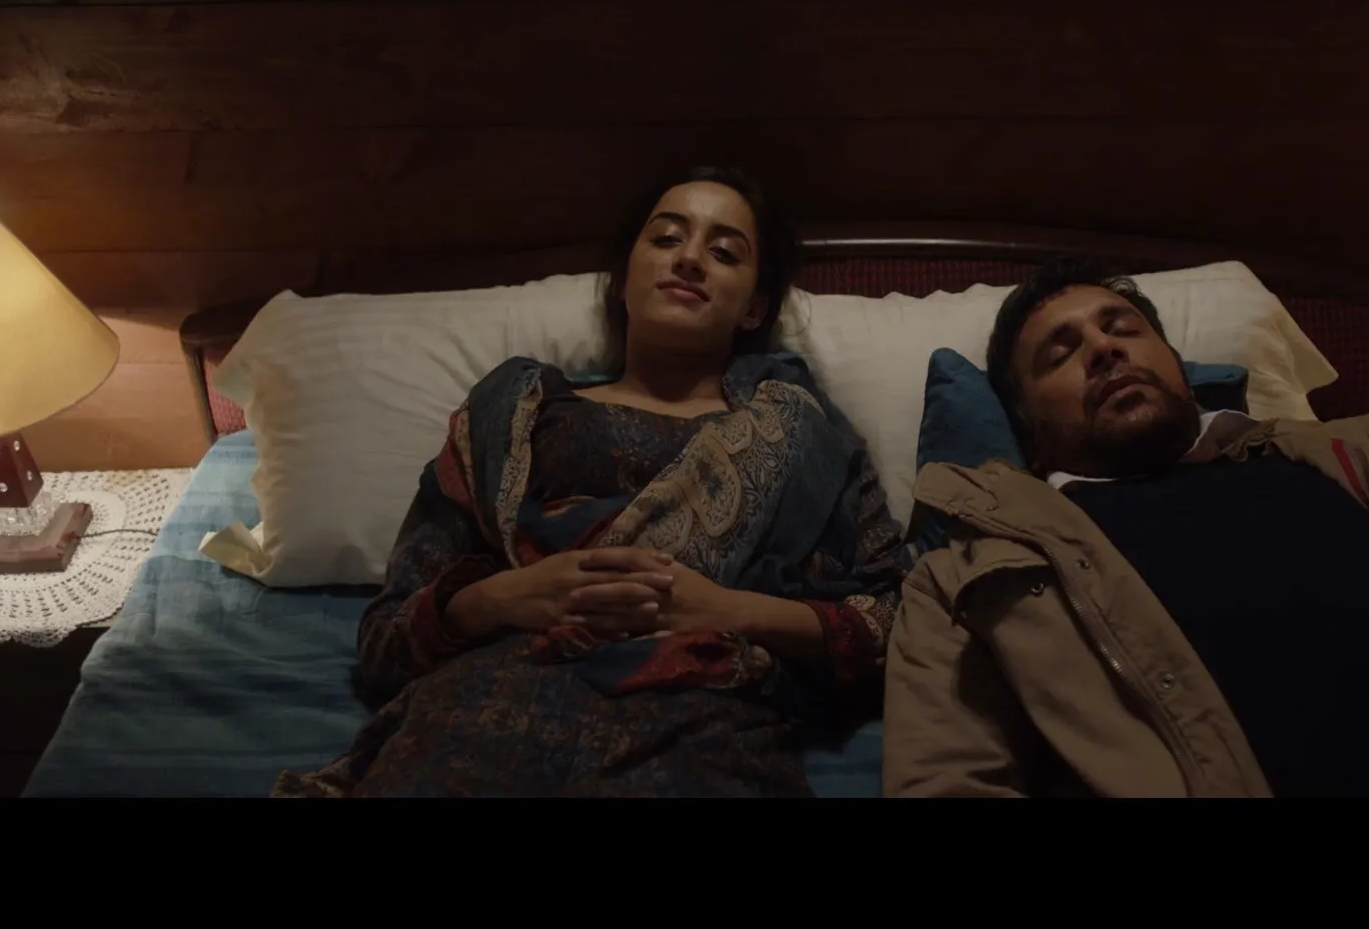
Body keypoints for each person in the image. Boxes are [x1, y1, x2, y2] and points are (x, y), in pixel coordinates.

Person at [883, 256, 1369, 797]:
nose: (1103, 350)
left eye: (1122, 329)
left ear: (1177, 367)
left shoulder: (1364, 468)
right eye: (1060, 353)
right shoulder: (973, 576)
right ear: (1026, 429)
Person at [275, 167, 908, 797]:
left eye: (723, 252)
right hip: (485, 708)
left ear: (755, 308)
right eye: (666, 238)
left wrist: (726, 609)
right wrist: (503, 597)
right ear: (622, 282)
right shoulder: (514, 414)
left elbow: (894, 623)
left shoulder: (803, 436)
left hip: (702, 725)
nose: (690, 259)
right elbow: (387, 639)